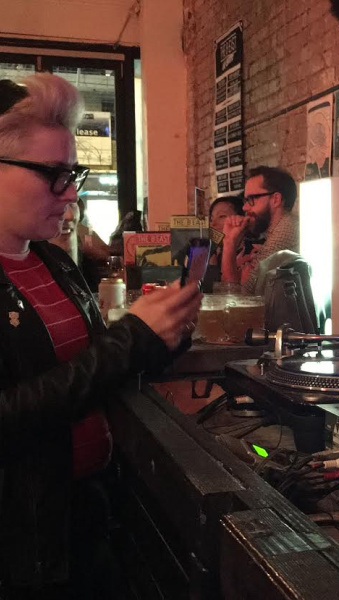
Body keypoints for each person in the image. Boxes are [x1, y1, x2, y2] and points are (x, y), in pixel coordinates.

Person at [0, 74, 201, 597]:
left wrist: (162, 333)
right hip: (26, 538)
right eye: (53, 174)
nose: (71, 193)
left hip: (90, 511)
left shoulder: (53, 263)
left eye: (74, 174)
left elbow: (91, 373)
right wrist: (130, 340)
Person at [220, 166, 299, 294]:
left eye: (251, 199)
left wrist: (229, 243)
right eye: (245, 200)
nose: (245, 207)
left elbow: (239, 298)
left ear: (276, 199)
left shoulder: (285, 231)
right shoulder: (284, 227)